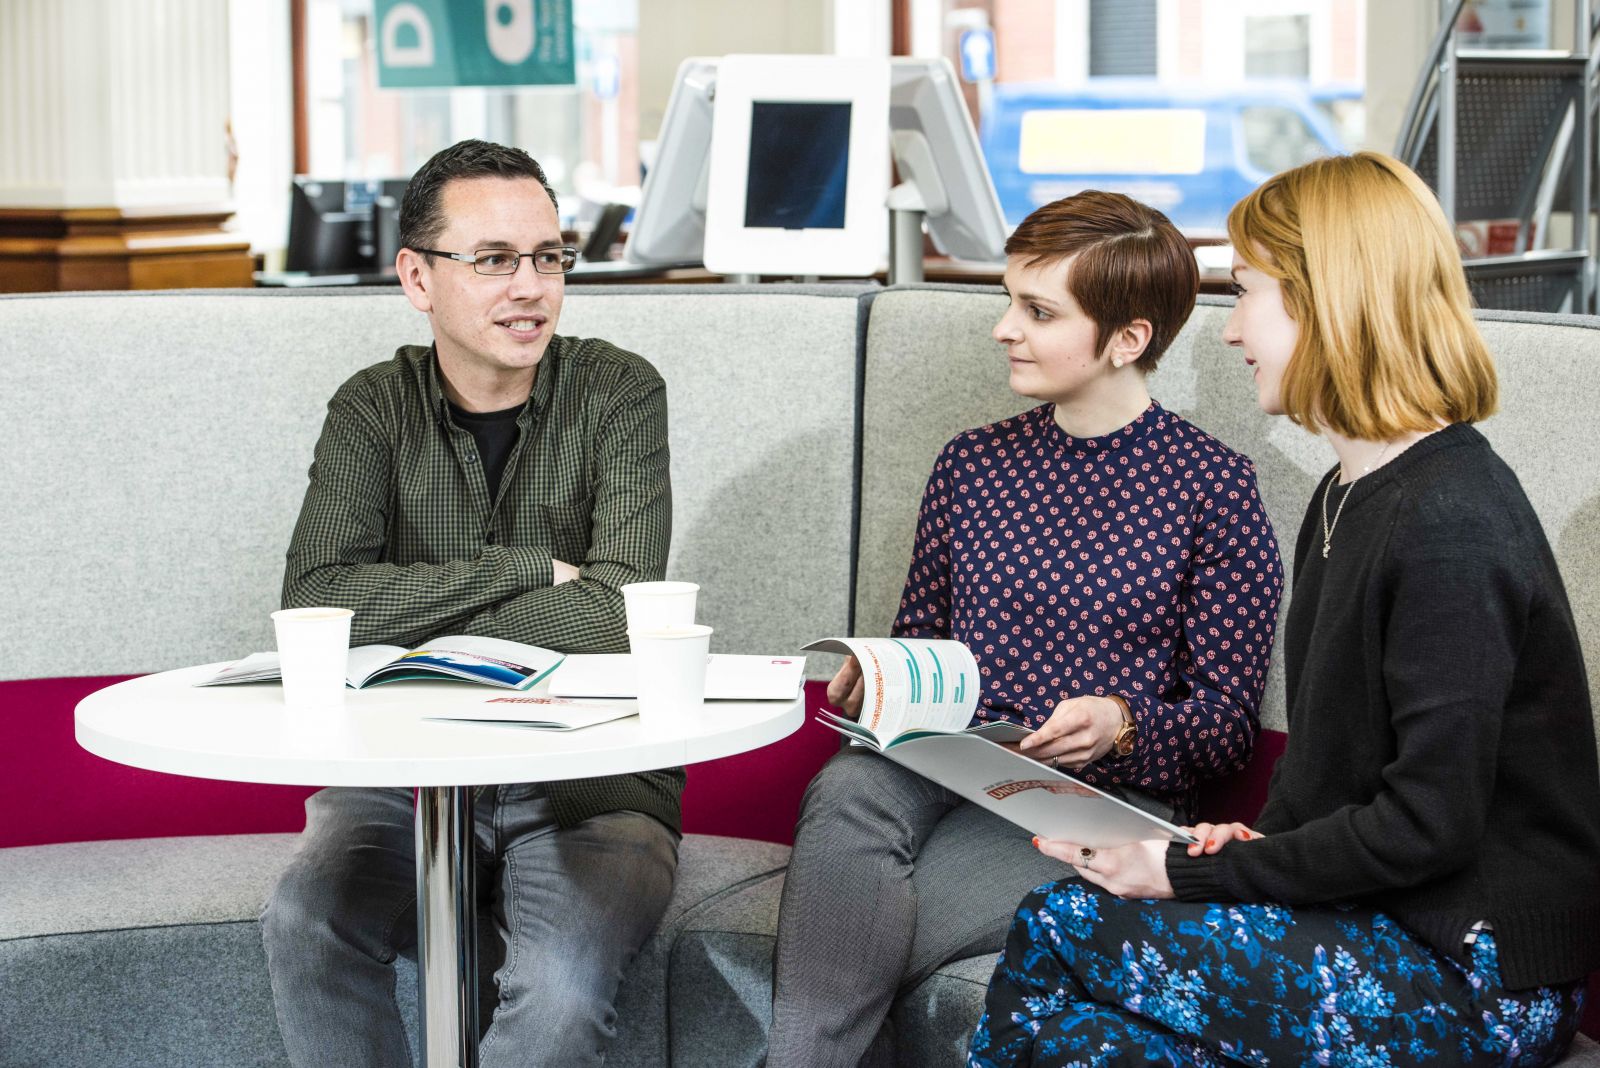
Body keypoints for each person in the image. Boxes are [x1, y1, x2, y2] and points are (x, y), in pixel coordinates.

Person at [968, 152, 1600, 1067]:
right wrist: (1250, 841)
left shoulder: (1452, 522)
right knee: (1095, 1020)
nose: (1229, 334)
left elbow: (1428, 822)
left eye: (1247, 293)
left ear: (1325, 302)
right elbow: (1340, 773)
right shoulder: (1349, 491)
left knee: (1061, 928)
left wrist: (1190, 868)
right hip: (1387, 922)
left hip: (1478, 971)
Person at [766, 191, 1285, 1067]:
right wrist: (882, 675)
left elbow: (1225, 726)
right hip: (940, 756)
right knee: (847, 789)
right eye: (1010, 300)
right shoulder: (971, 462)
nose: (1005, 328)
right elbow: (921, 637)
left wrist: (1121, 725)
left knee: (853, 933)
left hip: (1099, 799)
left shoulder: (1214, 490)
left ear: (1128, 339)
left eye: (1039, 312)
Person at [259, 139, 679, 1068]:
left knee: (562, 993)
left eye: (548, 257)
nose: (529, 287)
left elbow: (620, 614)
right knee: (304, 920)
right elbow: (316, 604)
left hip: (589, 778)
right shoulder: (371, 408)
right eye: (492, 260)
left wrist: (411, 618)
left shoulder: (618, 392)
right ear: (417, 277)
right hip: (401, 769)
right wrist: (530, 570)